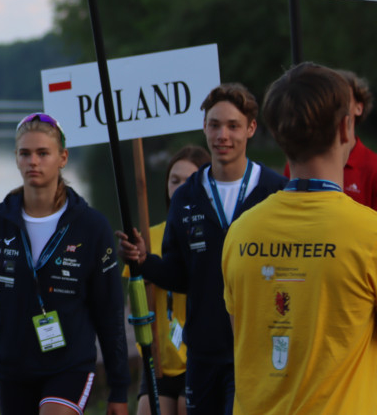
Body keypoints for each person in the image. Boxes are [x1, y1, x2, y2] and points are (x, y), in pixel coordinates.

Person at [0, 113, 129, 415]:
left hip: (71, 364)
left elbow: (110, 309)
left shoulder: (91, 226)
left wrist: (119, 387)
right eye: (25, 153)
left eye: (43, 153)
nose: (33, 162)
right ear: (15, 158)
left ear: (63, 158)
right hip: (14, 368)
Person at [117, 83, 286, 414]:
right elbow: (181, 277)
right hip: (203, 356)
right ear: (204, 127)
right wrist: (143, 260)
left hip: (255, 351)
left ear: (251, 129)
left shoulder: (275, 191)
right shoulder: (186, 196)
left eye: (233, 126)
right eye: (214, 125)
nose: (222, 135)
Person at [222, 62, 377, 413]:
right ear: (345, 128)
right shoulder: (370, 234)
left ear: (276, 133)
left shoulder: (240, 232)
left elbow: (244, 339)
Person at [124, 146, 209, 415]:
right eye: (174, 180)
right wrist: (136, 260)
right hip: (158, 362)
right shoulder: (149, 237)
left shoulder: (212, 236)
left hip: (196, 361)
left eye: (189, 180)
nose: (179, 188)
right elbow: (134, 307)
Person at [281, 69, 377, 209]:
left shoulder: (373, 168)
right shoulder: (298, 164)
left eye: (342, 98)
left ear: (358, 107)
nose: (333, 105)